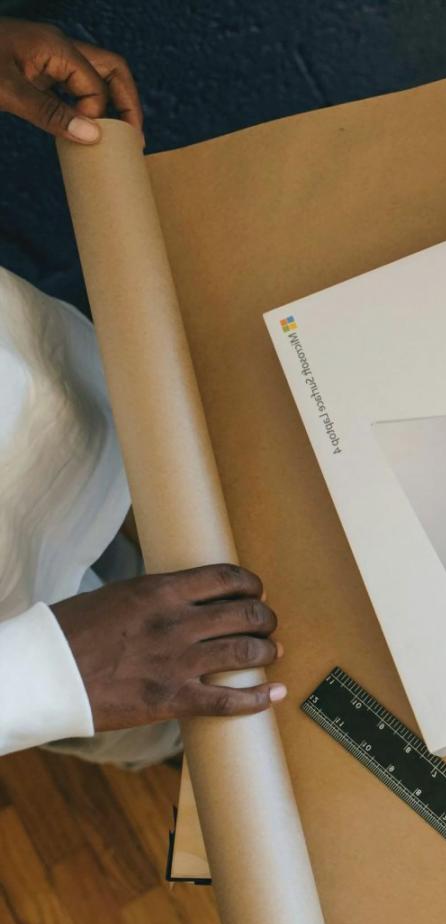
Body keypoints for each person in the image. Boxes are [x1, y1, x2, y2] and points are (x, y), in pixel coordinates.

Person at [0, 18, 286, 765]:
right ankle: (175, 745)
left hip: (34, 384)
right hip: (34, 650)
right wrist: (40, 679)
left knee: (96, 446)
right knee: (157, 702)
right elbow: (71, 668)